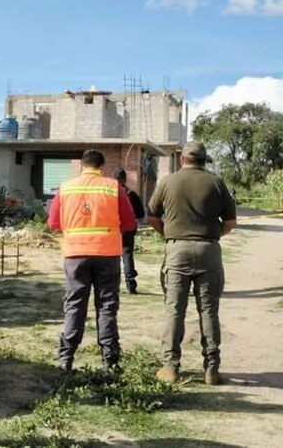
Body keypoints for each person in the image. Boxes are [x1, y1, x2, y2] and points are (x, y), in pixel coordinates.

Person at [147, 141, 236, 386]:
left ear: (183, 159)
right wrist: (213, 233)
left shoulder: (167, 182)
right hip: (209, 250)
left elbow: (152, 215)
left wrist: (168, 233)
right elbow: (230, 222)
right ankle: (211, 369)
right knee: (209, 311)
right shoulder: (216, 183)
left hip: (177, 250)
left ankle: (171, 367)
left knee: (175, 310)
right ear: (204, 160)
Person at [47, 150, 137, 372]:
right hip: (107, 255)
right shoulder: (113, 187)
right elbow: (129, 223)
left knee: (74, 305)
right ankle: (109, 360)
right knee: (107, 306)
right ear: (102, 168)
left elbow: (53, 223)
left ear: (81, 167)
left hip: (75, 255)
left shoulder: (66, 188)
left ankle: (66, 359)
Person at [113, 168, 145, 294]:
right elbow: (141, 214)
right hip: (128, 229)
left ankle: (113, 284)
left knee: (113, 257)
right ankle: (130, 283)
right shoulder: (131, 194)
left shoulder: (108, 194)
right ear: (125, 179)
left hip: (112, 230)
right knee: (127, 255)